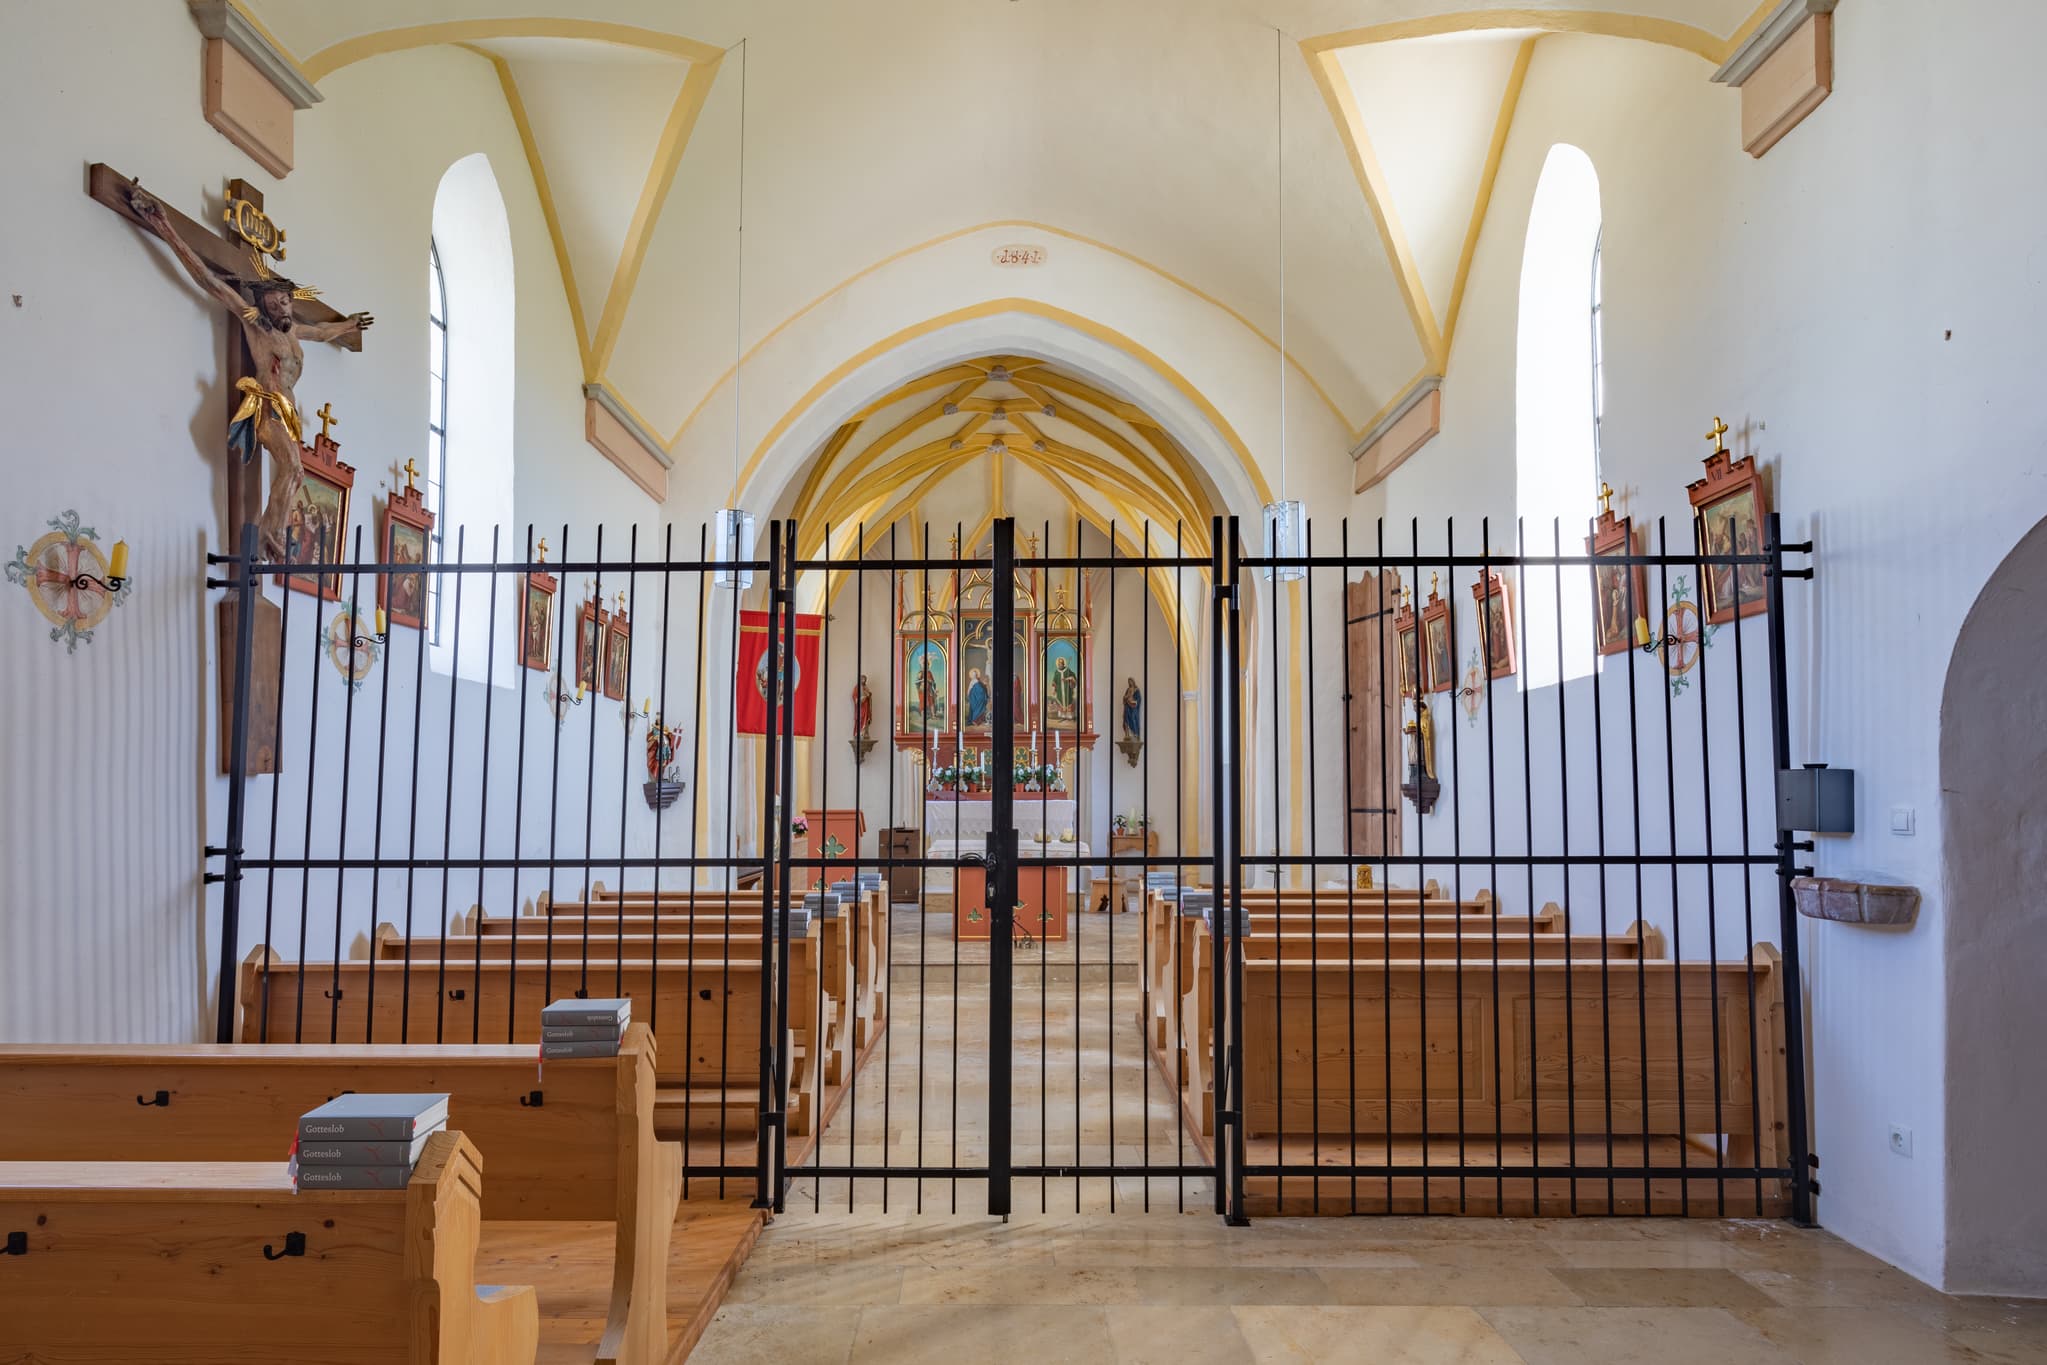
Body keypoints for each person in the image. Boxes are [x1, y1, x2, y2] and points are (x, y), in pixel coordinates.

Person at [125, 185, 373, 559]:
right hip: (266, 408)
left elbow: (322, 331)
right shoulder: (257, 327)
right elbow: (208, 281)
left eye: (287, 301)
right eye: (275, 305)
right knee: (291, 468)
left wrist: (348, 325)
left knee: (298, 474)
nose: (284, 309)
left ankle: (270, 533)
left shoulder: (296, 333)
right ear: (265, 308)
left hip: (287, 415)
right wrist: (164, 227)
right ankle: (265, 534)